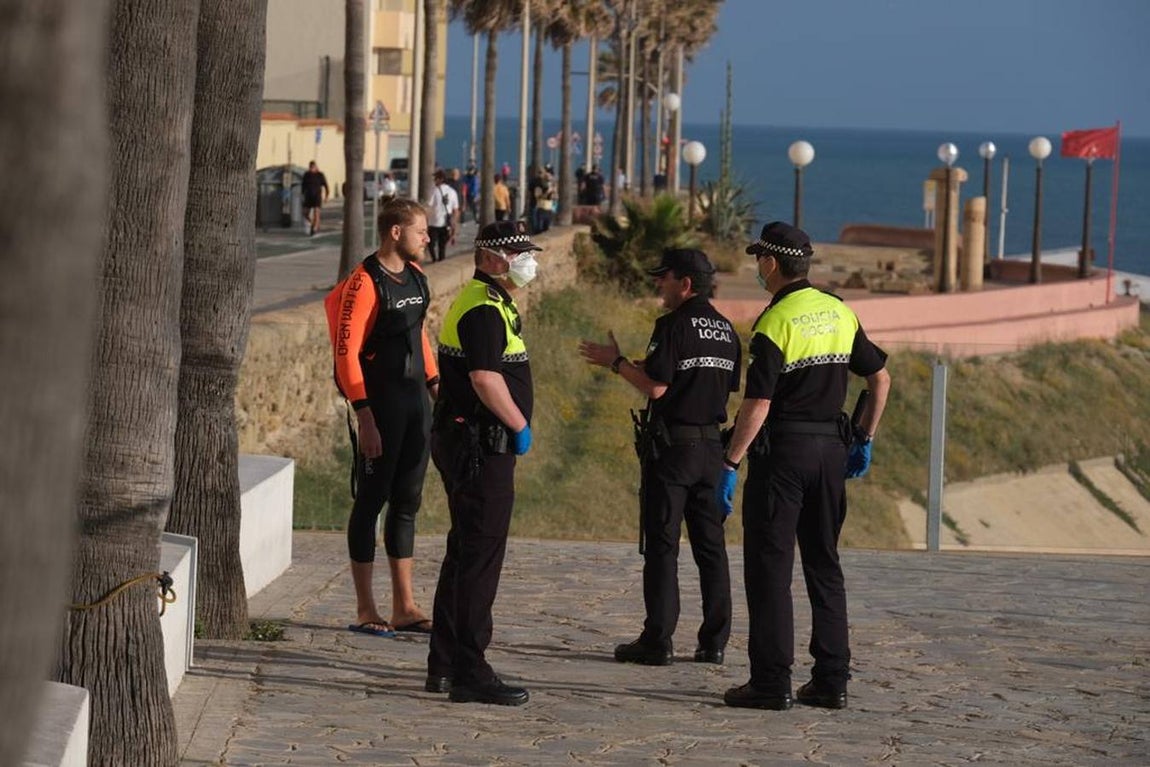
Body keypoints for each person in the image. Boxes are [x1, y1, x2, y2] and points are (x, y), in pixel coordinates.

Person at [720, 221, 891, 712]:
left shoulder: (775, 322)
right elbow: (880, 380)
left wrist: (731, 460)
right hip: (831, 453)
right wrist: (864, 438)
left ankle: (771, 683)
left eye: (758, 261)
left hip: (784, 457)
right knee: (824, 564)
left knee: (770, 569)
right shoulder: (840, 310)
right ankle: (831, 680)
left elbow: (758, 405)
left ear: (771, 264)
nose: (757, 268)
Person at [579, 248, 740, 668]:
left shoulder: (671, 325)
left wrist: (614, 362)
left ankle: (658, 639)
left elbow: (657, 388)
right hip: (711, 449)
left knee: (663, 546)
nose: (658, 284)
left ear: (684, 283)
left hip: (673, 451)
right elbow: (715, 383)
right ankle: (713, 642)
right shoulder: (726, 330)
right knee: (712, 549)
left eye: (663, 277)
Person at [425, 219, 542, 706]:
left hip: (470, 441)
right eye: (517, 254)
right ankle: (471, 668)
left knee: (464, 554)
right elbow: (484, 379)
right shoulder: (483, 310)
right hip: (480, 445)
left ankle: (446, 665)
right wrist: (519, 425)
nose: (526, 261)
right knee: (479, 560)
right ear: (491, 258)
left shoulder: (489, 303)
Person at [333, 197, 439, 639]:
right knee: (371, 501)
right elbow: (345, 355)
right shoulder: (363, 283)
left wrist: (436, 387)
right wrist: (365, 417)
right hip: (381, 408)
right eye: (421, 230)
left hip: (417, 406)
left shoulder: (416, 276)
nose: (427, 236)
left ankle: (405, 606)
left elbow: (420, 337)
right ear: (396, 232)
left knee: (407, 502)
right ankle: (365, 607)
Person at [426, 169, 459, 262]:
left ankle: (434, 260)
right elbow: (456, 210)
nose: (434, 181)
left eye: (435, 178)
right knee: (442, 247)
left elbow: (428, 206)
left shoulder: (434, 191)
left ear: (440, 179)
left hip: (434, 223)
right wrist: (454, 224)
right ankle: (441, 261)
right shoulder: (452, 192)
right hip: (446, 224)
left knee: (431, 244)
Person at [302, 160, 329, 235]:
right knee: (305, 213)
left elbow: (326, 186)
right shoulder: (306, 175)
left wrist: (326, 196)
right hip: (308, 196)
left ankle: (314, 228)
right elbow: (303, 186)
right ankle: (312, 223)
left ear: (316, 167)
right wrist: (302, 195)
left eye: (313, 167)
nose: (311, 169)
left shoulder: (320, 175)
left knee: (316, 213)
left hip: (317, 196)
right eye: (310, 167)